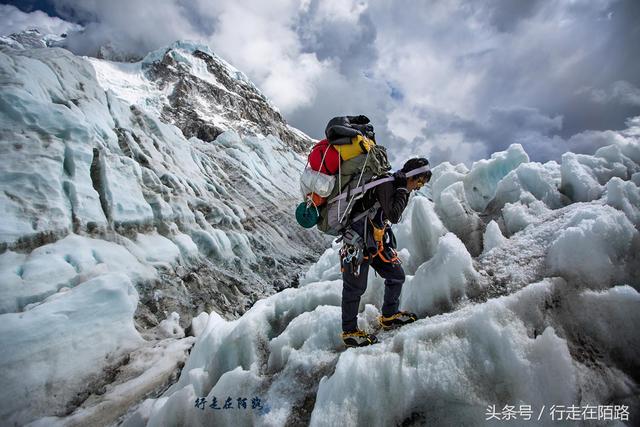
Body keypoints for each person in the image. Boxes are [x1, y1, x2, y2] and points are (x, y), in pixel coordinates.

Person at [340, 157, 432, 347]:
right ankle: (350, 332)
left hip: (374, 241)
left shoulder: (395, 185)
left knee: (396, 275)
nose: (419, 186)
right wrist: (400, 190)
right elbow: (394, 215)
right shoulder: (388, 185)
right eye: (420, 181)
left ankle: (389, 315)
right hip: (357, 242)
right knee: (354, 288)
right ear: (411, 176)